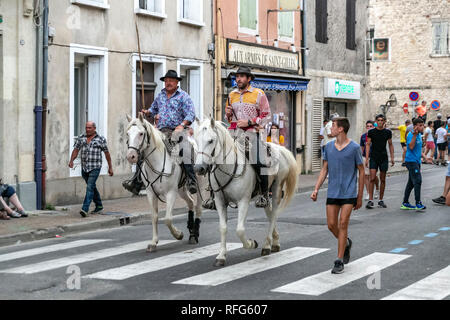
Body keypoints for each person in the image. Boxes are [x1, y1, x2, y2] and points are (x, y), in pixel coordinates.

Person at [125, 70, 198, 196]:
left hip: (178, 130)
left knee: (185, 149)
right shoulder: (161, 95)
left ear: (176, 82)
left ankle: (191, 180)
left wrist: (181, 125)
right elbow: (154, 109)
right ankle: (136, 182)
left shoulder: (183, 96)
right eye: (166, 81)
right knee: (144, 149)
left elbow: (191, 114)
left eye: (171, 80)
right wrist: (147, 112)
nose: (168, 83)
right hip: (161, 131)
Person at [311, 117, 364, 274]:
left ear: (340, 129)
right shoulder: (328, 147)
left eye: (332, 126)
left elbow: (361, 170)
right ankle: (346, 242)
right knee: (331, 225)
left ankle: (339, 260)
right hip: (333, 191)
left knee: (343, 224)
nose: (330, 129)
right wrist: (316, 189)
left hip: (349, 192)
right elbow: (324, 169)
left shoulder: (354, 148)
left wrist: (360, 196)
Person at [225, 66, 271, 208]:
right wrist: (228, 115)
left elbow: (267, 116)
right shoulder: (231, 95)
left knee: (258, 161)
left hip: (252, 133)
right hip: (234, 134)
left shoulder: (259, 94)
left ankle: (264, 194)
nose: (238, 79)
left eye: (242, 76)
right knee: (216, 157)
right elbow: (230, 119)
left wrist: (249, 122)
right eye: (237, 76)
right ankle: (215, 194)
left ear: (249, 78)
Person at [69, 121, 113, 217]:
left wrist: (110, 167)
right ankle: (99, 205)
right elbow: (76, 150)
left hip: (95, 167)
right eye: (86, 128)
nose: (87, 130)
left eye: (89, 128)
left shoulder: (100, 139)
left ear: (94, 129)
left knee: (89, 187)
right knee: (92, 187)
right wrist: (71, 160)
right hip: (84, 167)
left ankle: (85, 208)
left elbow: (107, 154)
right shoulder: (81, 138)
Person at [365, 114, 395, 209]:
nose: (380, 122)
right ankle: (370, 200)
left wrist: (392, 157)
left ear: (384, 121)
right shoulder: (371, 132)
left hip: (383, 157)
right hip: (374, 157)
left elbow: (390, 144)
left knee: (382, 179)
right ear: (376, 121)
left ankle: (381, 200)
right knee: (372, 178)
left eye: (382, 120)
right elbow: (368, 144)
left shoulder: (387, 132)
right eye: (378, 120)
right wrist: (366, 158)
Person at [401, 118, 426, 211]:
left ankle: (405, 203)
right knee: (418, 181)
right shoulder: (411, 135)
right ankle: (418, 203)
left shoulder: (419, 135)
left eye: (422, 125)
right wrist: (415, 135)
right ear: (415, 126)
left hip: (417, 161)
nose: (422, 127)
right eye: (420, 125)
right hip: (411, 161)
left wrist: (426, 157)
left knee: (411, 183)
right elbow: (410, 147)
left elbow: (418, 149)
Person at [360, 120, 379, 200]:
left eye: (370, 126)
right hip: (365, 157)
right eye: (367, 126)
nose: (369, 128)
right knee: (366, 175)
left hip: (374, 157)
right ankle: (368, 193)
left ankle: (377, 188)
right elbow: (362, 147)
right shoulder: (363, 136)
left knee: (373, 176)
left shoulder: (376, 135)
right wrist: (363, 157)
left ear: (373, 127)